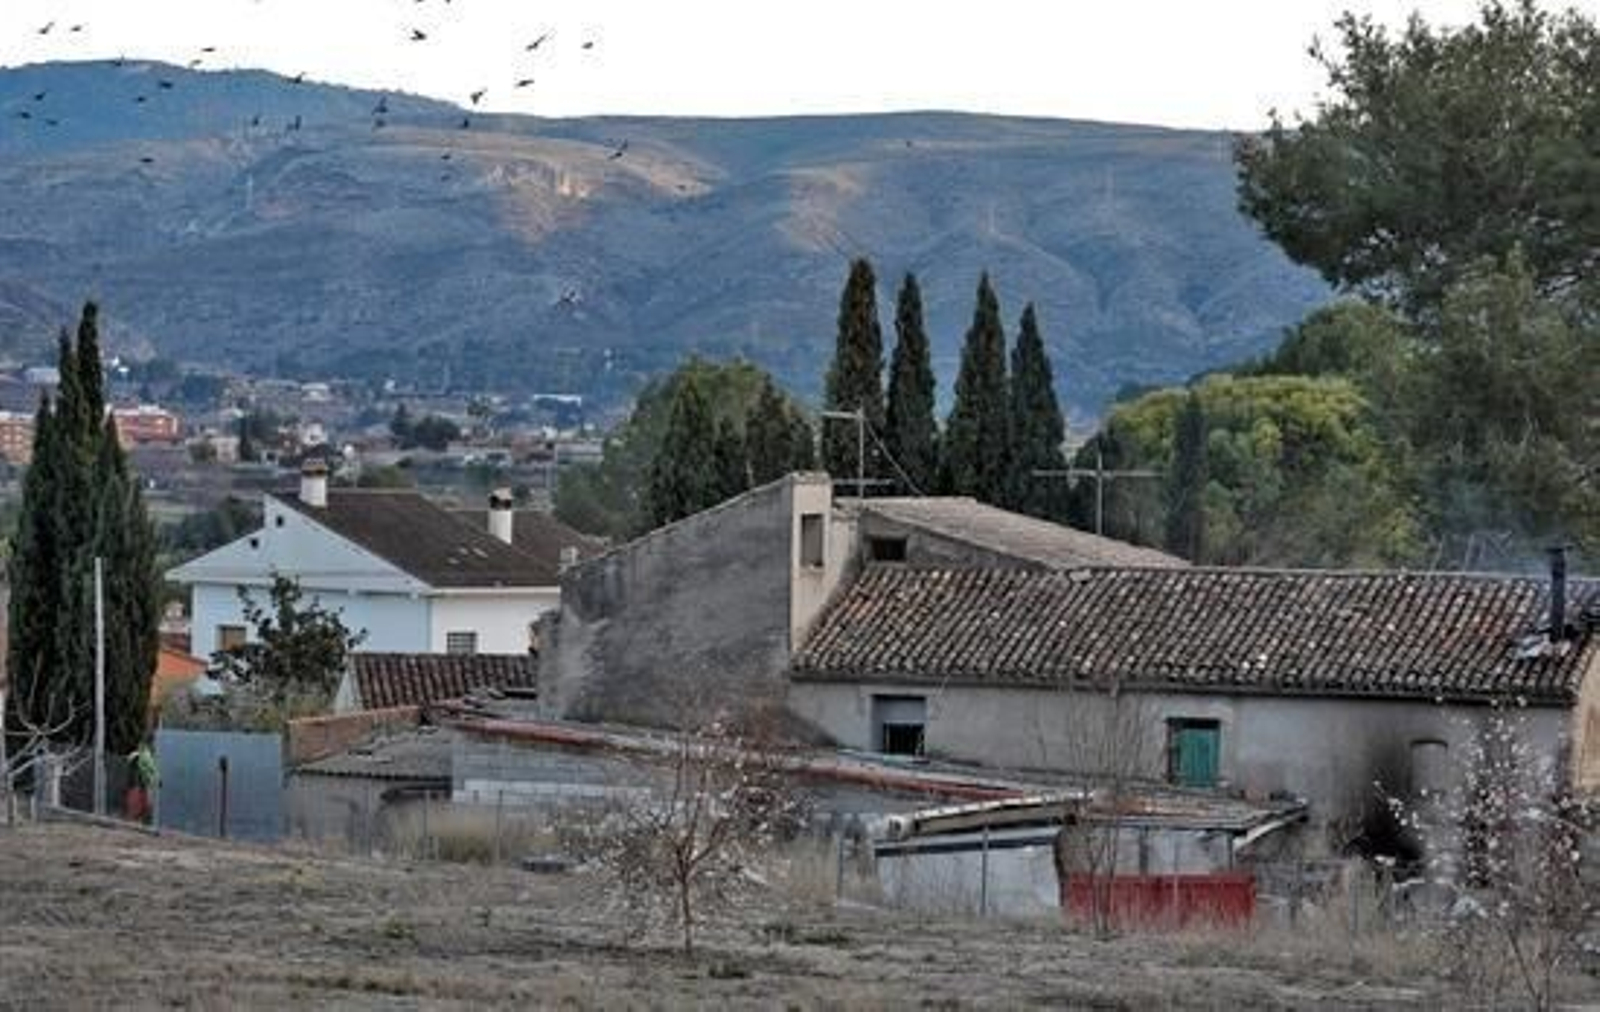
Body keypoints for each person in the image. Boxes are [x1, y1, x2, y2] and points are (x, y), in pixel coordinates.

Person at [125, 742, 158, 824]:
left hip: (143, 786)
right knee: (141, 804)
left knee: (146, 804)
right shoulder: (135, 768)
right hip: (139, 786)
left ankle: (144, 820)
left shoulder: (145, 762)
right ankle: (140, 819)